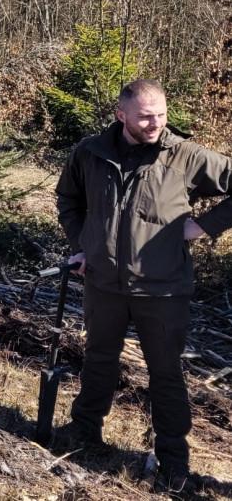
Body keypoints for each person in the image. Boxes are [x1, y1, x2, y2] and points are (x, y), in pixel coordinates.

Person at [55, 79, 232, 493]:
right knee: (98, 359)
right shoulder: (90, 152)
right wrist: (84, 245)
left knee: (166, 375)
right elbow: (69, 200)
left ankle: (173, 463)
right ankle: (84, 435)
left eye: (161, 115)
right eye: (145, 117)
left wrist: (202, 227)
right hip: (103, 284)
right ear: (121, 116)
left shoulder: (184, 155)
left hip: (163, 291)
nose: (156, 124)